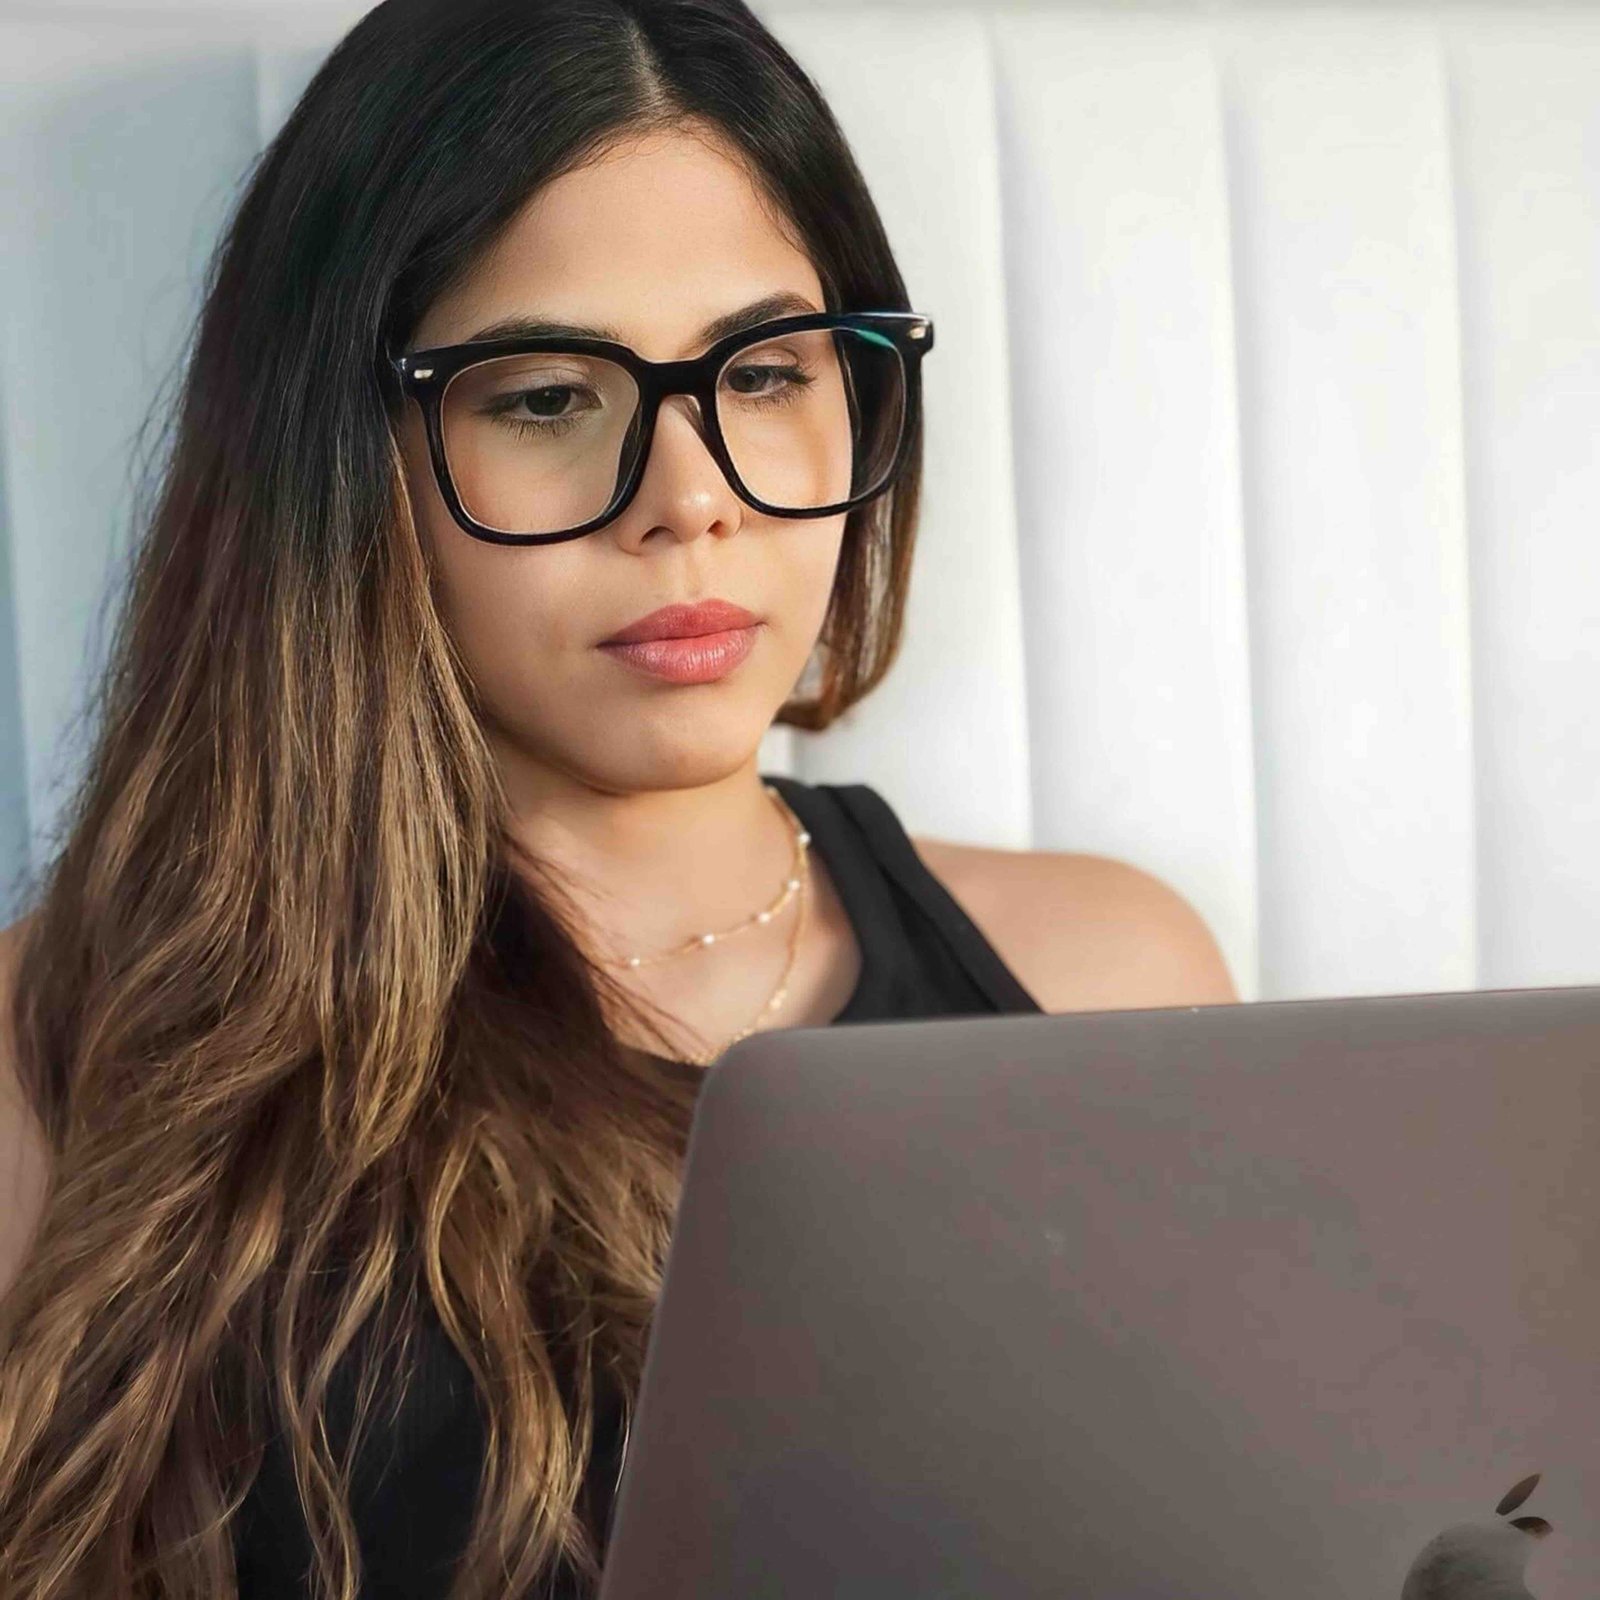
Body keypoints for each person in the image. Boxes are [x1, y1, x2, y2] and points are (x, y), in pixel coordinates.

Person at [0, 0, 1237, 1593]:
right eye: (546, 399)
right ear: (341, 457)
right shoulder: (72, 1048)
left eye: (767, 367)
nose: (692, 501)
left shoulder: (1112, 983)